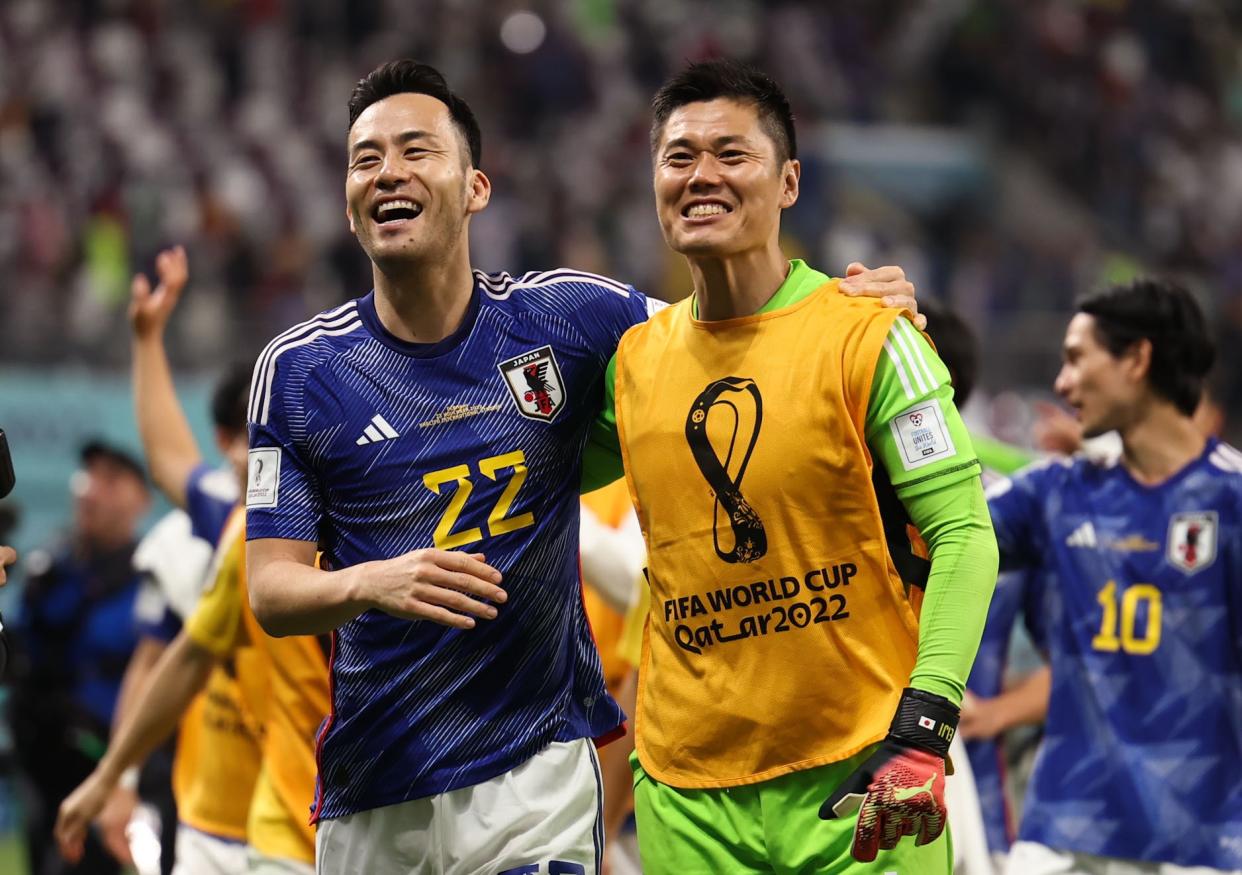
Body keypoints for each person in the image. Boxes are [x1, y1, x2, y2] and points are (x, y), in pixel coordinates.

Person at [244, 59, 919, 874]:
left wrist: (845, 310)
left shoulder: (567, 318)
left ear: (476, 188)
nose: (388, 171)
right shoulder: (299, 371)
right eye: (365, 159)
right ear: (350, 206)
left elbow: (736, 337)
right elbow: (271, 591)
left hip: (536, 774)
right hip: (374, 784)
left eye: (417, 150)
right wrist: (370, 583)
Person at [601, 60, 998, 872]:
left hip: (862, 776)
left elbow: (965, 535)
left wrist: (926, 724)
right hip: (686, 793)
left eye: (730, 154)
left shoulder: (873, 335)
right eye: (678, 157)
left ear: (788, 182)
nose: (701, 175)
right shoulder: (629, 365)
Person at [56, 249, 328, 875]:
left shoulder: (378, 534)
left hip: (344, 821)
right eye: (244, 437)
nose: (247, 454)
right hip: (238, 826)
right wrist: (113, 777)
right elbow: (175, 660)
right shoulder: (239, 526)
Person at [987, 278, 1242, 875]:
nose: (1061, 382)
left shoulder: (1231, 502)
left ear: (1137, 359)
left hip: (1199, 844)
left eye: (1077, 358)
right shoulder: (1056, 493)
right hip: (1063, 836)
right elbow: (941, 528)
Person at [12, 440, 151, 875]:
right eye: (89, 476)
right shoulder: (48, 568)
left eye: (111, 480)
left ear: (141, 500)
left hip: (105, 769)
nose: (91, 490)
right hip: (38, 762)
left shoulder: (150, 580)